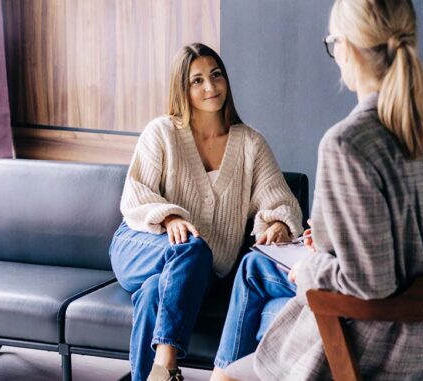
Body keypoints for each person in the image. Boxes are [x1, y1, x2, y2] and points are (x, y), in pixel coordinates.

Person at [211, 0, 423, 379]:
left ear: (347, 48)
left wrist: (310, 269)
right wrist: (330, 245)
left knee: (224, 376)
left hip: (370, 354)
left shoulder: (348, 143)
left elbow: (369, 282)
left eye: (332, 41)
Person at [110, 42, 303, 381]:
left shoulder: (250, 144)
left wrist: (276, 223)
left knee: (156, 291)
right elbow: (134, 195)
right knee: (192, 249)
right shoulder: (162, 132)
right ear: (181, 88)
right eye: (196, 80)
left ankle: (153, 376)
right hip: (142, 245)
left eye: (216, 76)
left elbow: (280, 201)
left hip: (203, 269)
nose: (210, 87)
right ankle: (168, 365)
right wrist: (170, 216)